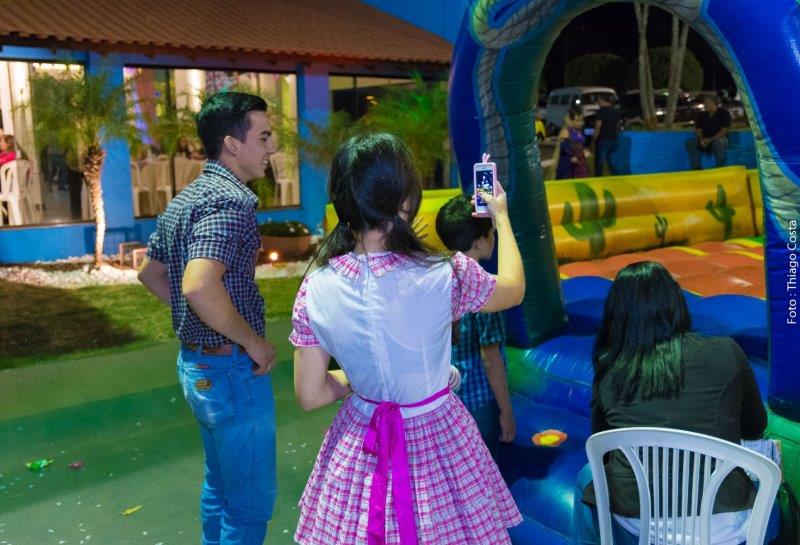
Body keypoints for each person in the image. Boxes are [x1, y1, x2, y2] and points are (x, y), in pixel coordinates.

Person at [290, 133, 525, 544]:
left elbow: (310, 395)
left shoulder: (315, 287)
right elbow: (513, 289)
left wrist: (361, 382)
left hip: (360, 442)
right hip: (438, 442)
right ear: (404, 201)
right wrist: (500, 217)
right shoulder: (445, 273)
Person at [138, 91, 278, 545]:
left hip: (198, 366)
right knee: (249, 503)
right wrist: (251, 341)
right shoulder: (230, 202)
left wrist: (200, 321)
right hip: (230, 370)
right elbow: (198, 285)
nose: (272, 147)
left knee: (220, 486)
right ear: (232, 144)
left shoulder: (187, 198)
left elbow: (150, 273)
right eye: (264, 136)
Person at [575, 261, 769, 545]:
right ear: (677, 303)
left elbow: (603, 447)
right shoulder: (727, 351)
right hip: (724, 527)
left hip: (638, 526)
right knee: (770, 494)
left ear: (617, 316)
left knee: (586, 476)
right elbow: (755, 428)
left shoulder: (611, 370)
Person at [435, 194, 516, 460]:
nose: (493, 238)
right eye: (491, 234)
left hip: (446, 399)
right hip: (478, 400)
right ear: (480, 242)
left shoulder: (437, 279)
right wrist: (506, 412)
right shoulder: (485, 289)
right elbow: (490, 358)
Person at [686, 93, 731, 170]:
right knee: (690, 143)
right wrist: (702, 139)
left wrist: (710, 140)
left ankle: (720, 168)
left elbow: (724, 131)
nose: (704, 105)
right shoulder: (702, 115)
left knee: (718, 143)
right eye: (704, 103)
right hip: (705, 139)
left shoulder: (724, 113)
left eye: (706, 103)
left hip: (719, 138)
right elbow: (698, 130)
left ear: (713, 103)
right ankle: (696, 167)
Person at [555, 106, 589, 179]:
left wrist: (584, 150)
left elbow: (581, 144)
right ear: (571, 120)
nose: (580, 123)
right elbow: (563, 147)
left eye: (582, 121)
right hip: (568, 160)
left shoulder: (580, 131)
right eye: (577, 121)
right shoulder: (566, 131)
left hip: (580, 159)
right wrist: (571, 156)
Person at [591, 95, 620, 176]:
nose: (598, 103)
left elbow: (598, 126)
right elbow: (618, 126)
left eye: (598, 101)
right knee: (613, 163)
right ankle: (616, 179)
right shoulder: (616, 111)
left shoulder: (601, 112)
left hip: (602, 140)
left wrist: (593, 140)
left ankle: (599, 180)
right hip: (613, 140)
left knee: (599, 163)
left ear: (602, 100)